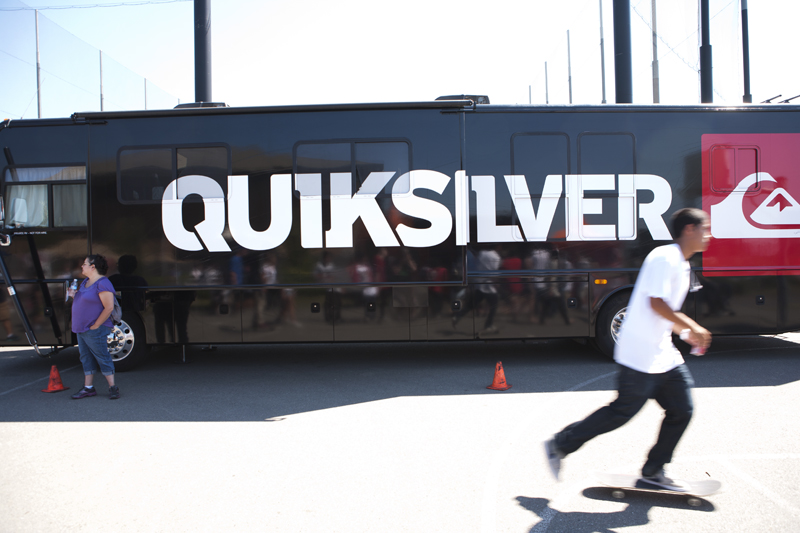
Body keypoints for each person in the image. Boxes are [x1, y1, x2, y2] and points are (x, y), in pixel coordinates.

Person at [544, 208, 712, 491]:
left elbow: (663, 313)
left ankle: (653, 470)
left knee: (682, 409)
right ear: (689, 230)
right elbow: (655, 302)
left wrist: (684, 332)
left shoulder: (682, 265)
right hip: (639, 353)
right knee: (621, 412)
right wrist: (691, 326)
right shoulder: (664, 258)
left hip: (662, 353)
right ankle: (560, 444)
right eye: (705, 229)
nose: (709, 236)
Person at [68, 254, 120, 400]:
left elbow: (108, 307)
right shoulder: (86, 281)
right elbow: (86, 301)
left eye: (85, 264)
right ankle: (88, 388)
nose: (82, 266)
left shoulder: (103, 283)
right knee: (85, 357)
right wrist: (73, 296)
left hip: (94, 328)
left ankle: (112, 387)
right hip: (82, 328)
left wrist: (96, 325)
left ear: (93, 267)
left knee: (102, 356)